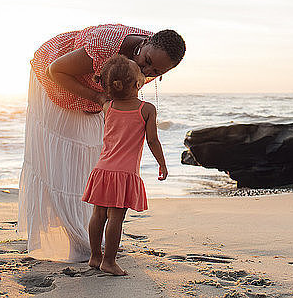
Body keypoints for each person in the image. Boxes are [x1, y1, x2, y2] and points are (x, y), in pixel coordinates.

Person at [18, 24, 185, 262]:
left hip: (93, 89)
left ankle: (91, 241)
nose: (145, 69)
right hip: (54, 74)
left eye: (156, 71)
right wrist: (96, 97)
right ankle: (64, 238)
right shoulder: (104, 44)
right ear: (146, 42)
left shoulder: (152, 59)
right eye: (146, 61)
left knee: (89, 159)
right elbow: (57, 71)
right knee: (64, 162)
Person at [81, 55, 167, 275]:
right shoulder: (146, 109)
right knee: (115, 219)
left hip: (102, 169)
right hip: (124, 173)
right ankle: (109, 261)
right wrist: (162, 164)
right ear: (138, 84)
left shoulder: (107, 105)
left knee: (98, 215)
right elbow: (153, 141)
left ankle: (95, 256)